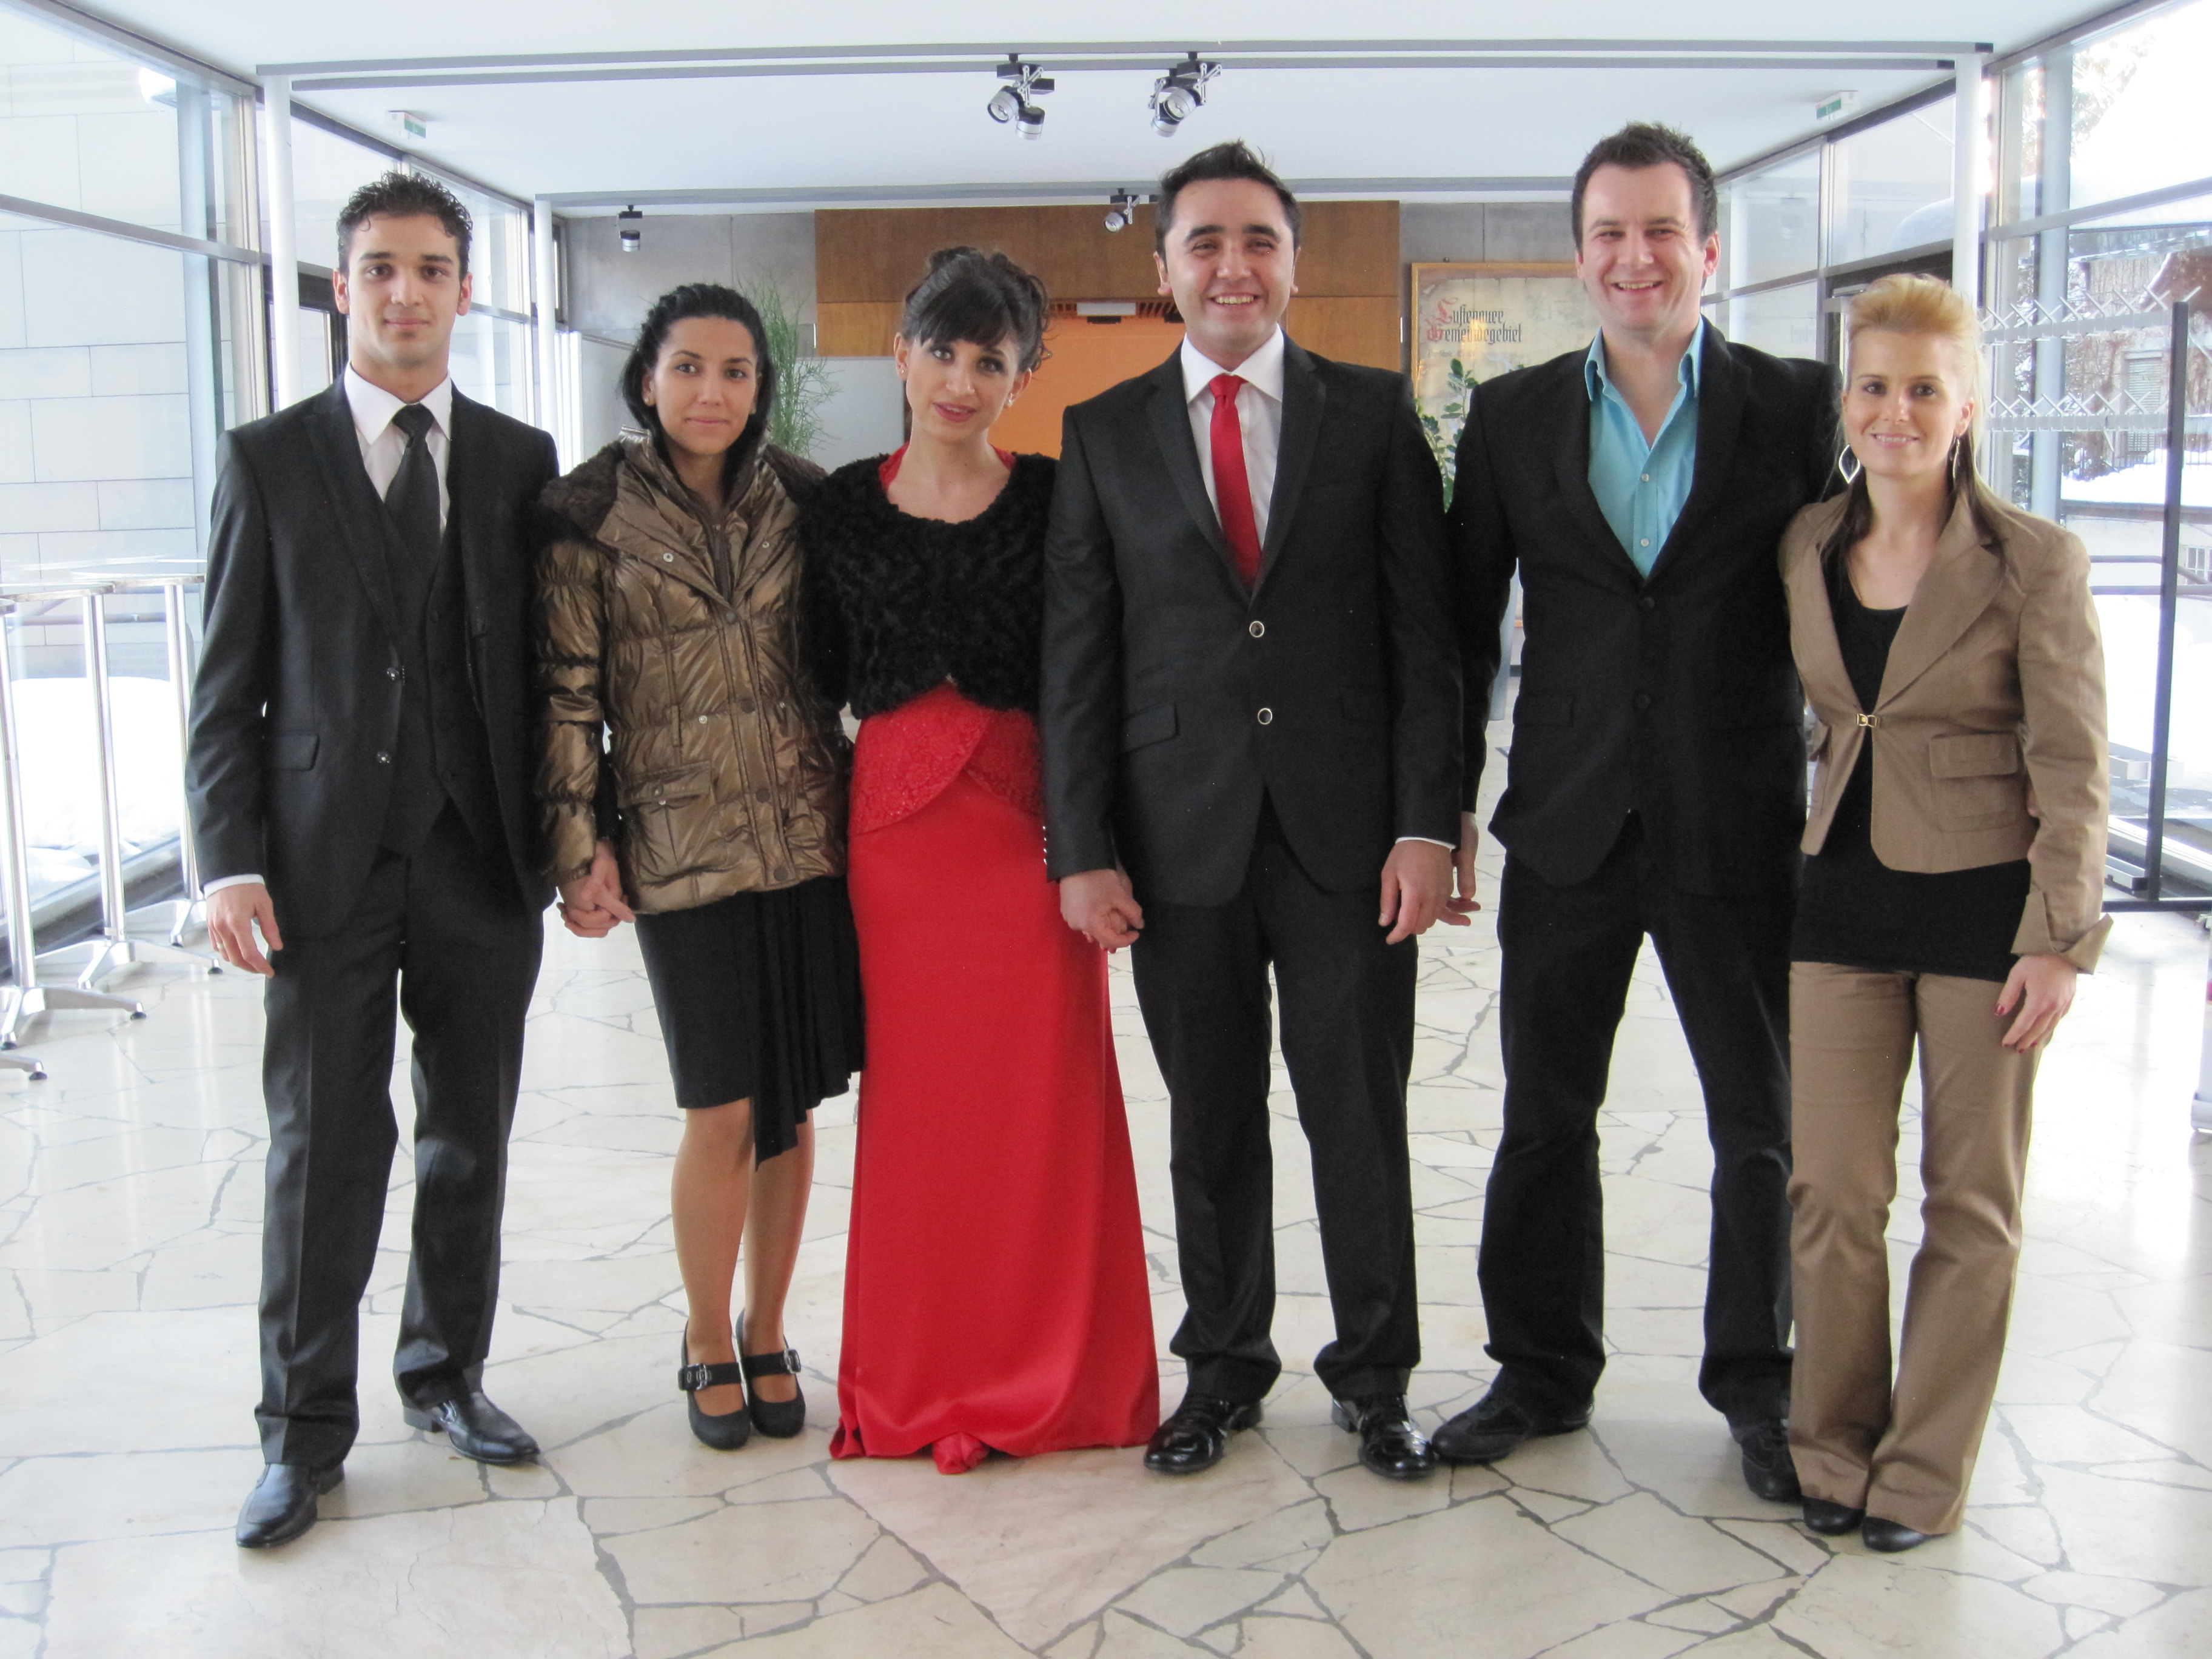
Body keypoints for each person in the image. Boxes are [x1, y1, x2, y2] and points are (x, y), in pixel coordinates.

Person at [1042, 142, 1464, 1483]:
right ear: (1163, 267)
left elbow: (1427, 640)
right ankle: (1223, 1367)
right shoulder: (1103, 433)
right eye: (1206, 243)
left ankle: (1377, 1379)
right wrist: (1082, 848)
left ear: (1294, 261)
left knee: (1359, 1116)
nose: (1234, 266)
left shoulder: (1373, 413)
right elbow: (1078, 658)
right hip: (1179, 840)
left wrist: (1429, 826)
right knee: (1211, 1120)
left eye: (1259, 241)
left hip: (1351, 840)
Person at [1442, 123, 1840, 1500]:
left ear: (1707, 250)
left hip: (1740, 822)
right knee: (1545, 1115)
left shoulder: (1801, 408)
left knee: (1760, 1124)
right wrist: (1439, 815)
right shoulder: (1512, 418)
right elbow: (1461, 635)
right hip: (1568, 823)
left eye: (1661, 229)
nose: (1635, 256)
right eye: (1609, 231)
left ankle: (1761, 1386)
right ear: (1578, 256)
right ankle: (1541, 1371)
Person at [189, 172, 560, 1548]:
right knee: (323, 1149)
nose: (407, 292)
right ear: (341, 289)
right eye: (381, 269)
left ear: (467, 290)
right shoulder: (267, 459)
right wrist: (227, 860)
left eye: (432, 269)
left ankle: (446, 1373)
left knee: (470, 1136)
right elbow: (225, 684)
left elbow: (552, 673)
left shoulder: (520, 460)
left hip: (482, 857)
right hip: (318, 864)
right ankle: (300, 1433)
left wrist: (576, 842)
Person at [806, 249, 1158, 1475]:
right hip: (896, 851)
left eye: (991, 360)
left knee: (1044, 1107)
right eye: (943, 351)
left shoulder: (1060, 496)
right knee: (920, 1117)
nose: (961, 379)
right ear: (900, 353)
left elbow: (1096, 675)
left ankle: (1057, 1376)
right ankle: (920, 1378)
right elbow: (813, 672)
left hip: (1031, 845)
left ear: (1023, 378)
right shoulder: (838, 505)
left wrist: (1093, 846)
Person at [1782, 274, 2107, 1551]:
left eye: (1925, 389)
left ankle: (1921, 1476)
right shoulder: (1808, 546)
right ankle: (1831, 1451)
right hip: (1839, 906)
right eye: (1874, 386)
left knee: (1970, 1206)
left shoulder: (2034, 561)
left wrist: (2060, 940)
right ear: (1847, 401)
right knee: (1831, 1194)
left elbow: (2073, 761)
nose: (1896, 412)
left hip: (1987, 918)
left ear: (1967, 406)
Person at [536, 284, 863, 1453]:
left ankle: (769, 1326)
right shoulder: (589, 515)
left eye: (735, 371)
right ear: (647, 379)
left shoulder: (806, 499)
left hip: (807, 837)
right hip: (680, 849)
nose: (711, 392)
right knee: (720, 1103)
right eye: (688, 367)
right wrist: (578, 846)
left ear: (760, 387)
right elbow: (566, 698)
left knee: (792, 1104)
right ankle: (706, 1332)